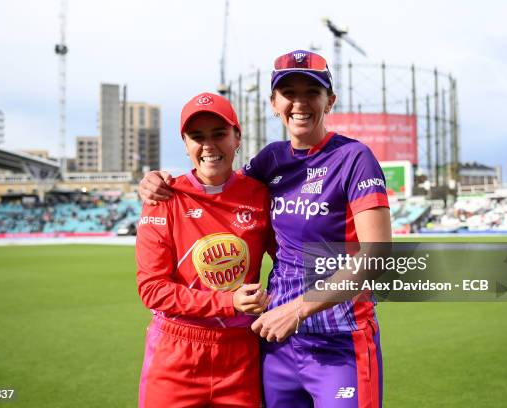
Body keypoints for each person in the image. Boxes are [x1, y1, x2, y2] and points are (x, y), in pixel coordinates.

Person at [139, 50, 391, 408]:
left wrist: (298, 309)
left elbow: (377, 258)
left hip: (339, 339)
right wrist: (156, 182)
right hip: (277, 344)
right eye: (289, 93)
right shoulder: (270, 161)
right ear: (274, 103)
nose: (299, 103)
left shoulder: (355, 158)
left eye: (312, 92)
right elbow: (216, 183)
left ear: (329, 100)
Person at [135, 92, 272, 408]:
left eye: (219, 134)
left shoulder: (259, 195)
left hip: (241, 354)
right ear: (185, 144)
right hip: (175, 352)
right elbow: (152, 290)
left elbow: (290, 257)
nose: (208, 145)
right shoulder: (164, 197)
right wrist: (229, 301)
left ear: (237, 137)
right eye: (197, 137)